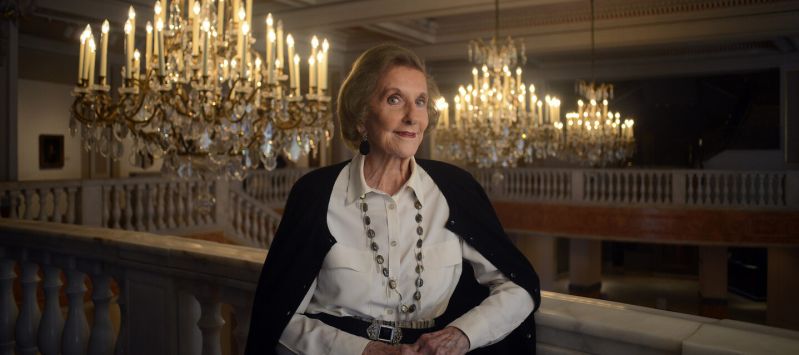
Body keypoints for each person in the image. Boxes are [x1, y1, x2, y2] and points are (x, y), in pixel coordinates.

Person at [245, 44, 540, 355]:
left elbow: (519, 286)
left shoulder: (456, 189)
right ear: (361, 115)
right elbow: (279, 319)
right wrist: (366, 350)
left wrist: (461, 335)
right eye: (394, 99)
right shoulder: (315, 194)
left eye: (421, 101)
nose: (412, 117)